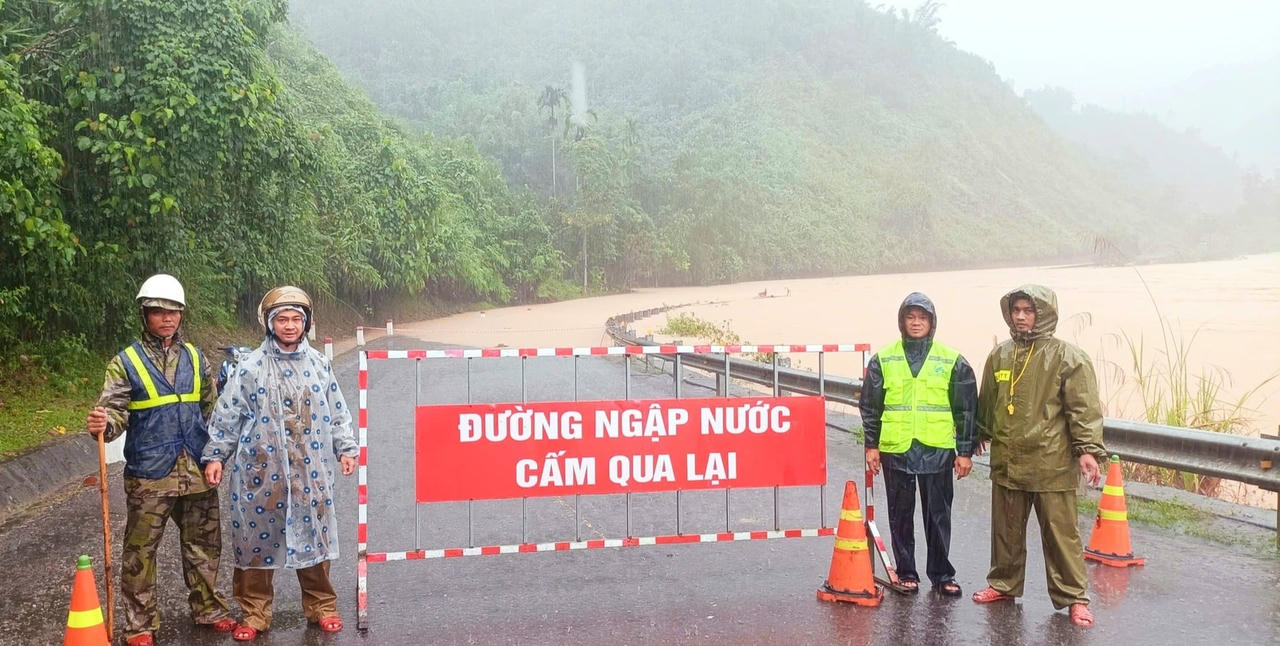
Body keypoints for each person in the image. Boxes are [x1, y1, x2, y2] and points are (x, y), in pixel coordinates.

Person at [85, 274, 236, 646]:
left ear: (182, 315)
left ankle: (208, 608)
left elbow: (211, 412)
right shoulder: (125, 363)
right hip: (150, 476)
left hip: (196, 472)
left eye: (173, 312)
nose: (167, 319)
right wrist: (102, 424)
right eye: (158, 312)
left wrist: (216, 455)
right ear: (145, 315)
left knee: (204, 544)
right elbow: (115, 416)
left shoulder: (197, 359)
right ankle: (139, 624)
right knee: (140, 552)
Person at [202, 285, 357, 641]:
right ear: (269, 323)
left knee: (314, 538)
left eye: (296, 319)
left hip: (310, 470)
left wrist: (345, 449)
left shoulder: (319, 364)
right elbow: (228, 415)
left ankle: (321, 605)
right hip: (259, 473)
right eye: (282, 319)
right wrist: (215, 456)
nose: (289, 326)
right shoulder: (250, 367)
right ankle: (255, 612)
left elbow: (337, 412)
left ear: (306, 324)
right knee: (254, 542)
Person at [971, 285, 1106, 627]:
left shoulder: (1068, 357)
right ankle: (1003, 583)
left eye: (1028, 310)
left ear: (1043, 313)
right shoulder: (1000, 355)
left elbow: (1083, 410)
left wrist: (1087, 450)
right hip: (1009, 460)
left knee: (1061, 534)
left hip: (1052, 463)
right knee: (1006, 530)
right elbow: (988, 400)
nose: (1020, 316)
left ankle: (1074, 597)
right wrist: (979, 435)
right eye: (1016, 310)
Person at [860, 292, 977, 597]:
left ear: (932, 322)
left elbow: (967, 410)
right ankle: (906, 571)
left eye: (922, 318)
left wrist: (964, 451)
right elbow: (870, 406)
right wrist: (871, 445)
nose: (916, 323)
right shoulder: (883, 359)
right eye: (910, 317)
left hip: (936, 448)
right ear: (902, 321)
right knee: (900, 513)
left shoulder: (952, 360)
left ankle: (942, 574)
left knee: (938, 514)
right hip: (896, 447)